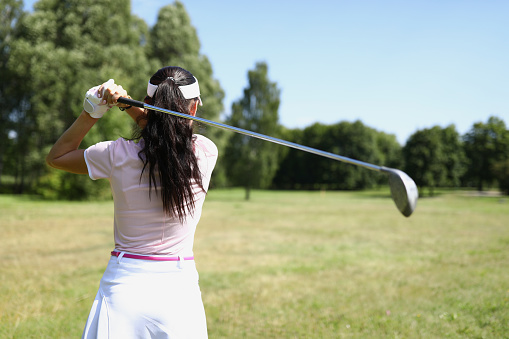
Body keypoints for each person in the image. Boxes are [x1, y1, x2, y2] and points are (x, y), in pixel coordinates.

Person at [46, 66, 218, 338]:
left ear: (148, 104)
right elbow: (165, 133)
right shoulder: (206, 153)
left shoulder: (115, 154)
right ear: (194, 109)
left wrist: (93, 110)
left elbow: (57, 157)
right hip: (179, 293)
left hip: (123, 289)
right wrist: (131, 107)